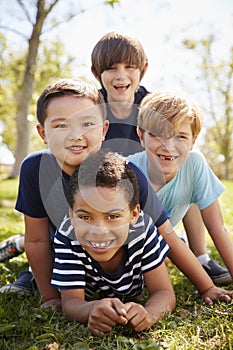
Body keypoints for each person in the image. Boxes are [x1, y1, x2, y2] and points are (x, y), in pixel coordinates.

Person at [0, 78, 170, 307]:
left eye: (87, 124)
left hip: (106, 248)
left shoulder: (123, 174)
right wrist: (50, 297)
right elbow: (38, 240)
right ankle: (28, 273)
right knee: (44, 252)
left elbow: (165, 232)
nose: (75, 135)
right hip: (60, 248)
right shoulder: (36, 168)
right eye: (61, 125)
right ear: (42, 132)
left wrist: (206, 285)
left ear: (104, 130)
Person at [51, 150, 176, 336]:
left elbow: (164, 293)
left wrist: (150, 314)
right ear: (71, 215)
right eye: (85, 216)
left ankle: (160, 257)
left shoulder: (142, 229)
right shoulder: (68, 234)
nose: (98, 231)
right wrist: (91, 309)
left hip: (136, 268)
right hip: (80, 279)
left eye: (112, 216)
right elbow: (71, 304)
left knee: (159, 260)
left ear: (134, 214)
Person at [126, 90, 233, 285]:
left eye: (180, 137)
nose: (168, 146)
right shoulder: (128, 171)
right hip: (129, 254)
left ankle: (198, 257)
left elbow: (217, 227)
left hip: (162, 240)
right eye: (158, 135)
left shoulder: (194, 164)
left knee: (191, 188)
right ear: (141, 136)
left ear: (193, 141)